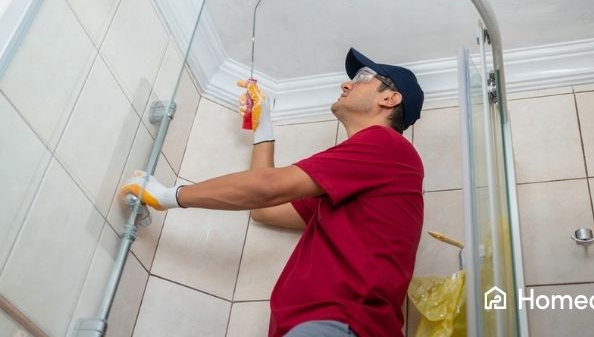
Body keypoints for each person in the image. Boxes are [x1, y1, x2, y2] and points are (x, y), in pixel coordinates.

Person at [121, 48, 425, 337]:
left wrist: (168, 196)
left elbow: (266, 189)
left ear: (390, 97)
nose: (345, 84)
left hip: (342, 324)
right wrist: (263, 129)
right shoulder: (361, 177)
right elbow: (264, 210)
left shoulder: (386, 146)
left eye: (361, 78)